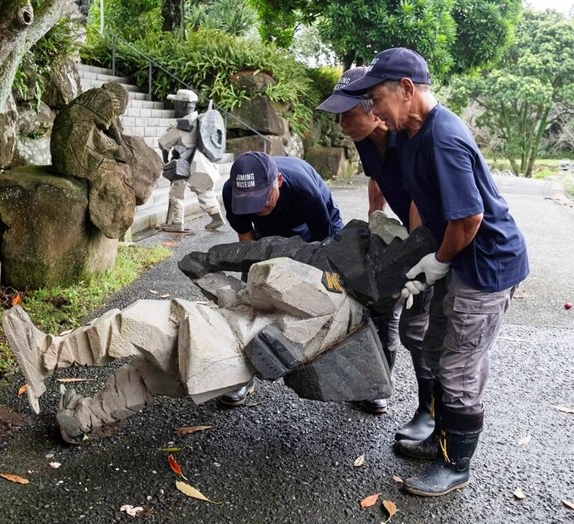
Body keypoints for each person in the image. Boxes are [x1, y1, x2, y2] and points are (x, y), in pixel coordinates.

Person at [343, 47, 529, 497]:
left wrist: (439, 261)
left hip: (484, 264)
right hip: (460, 257)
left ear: (406, 91)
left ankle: (456, 464)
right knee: (436, 344)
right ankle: (441, 439)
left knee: (459, 362)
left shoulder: (443, 137)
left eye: (377, 100)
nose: (374, 111)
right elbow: (413, 195)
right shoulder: (411, 130)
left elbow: (469, 219)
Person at [316, 67, 434, 440]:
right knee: (380, 305)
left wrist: (413, 254)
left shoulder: (408, 135)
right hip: (405, 231)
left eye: (347, 113)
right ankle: (377, 386)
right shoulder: (368, 139)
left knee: (418, 328)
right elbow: (376, 177)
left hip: (436, 238)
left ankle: (429, 412)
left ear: (373, 107)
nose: (340, 123)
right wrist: (375, 222)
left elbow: (420, 196)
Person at [217, 151, 348, 407]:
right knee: (251, 296)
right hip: (269, 235)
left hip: (316, 231)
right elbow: (248, 247)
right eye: (250, 203)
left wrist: (324, 282)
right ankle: (241, 374)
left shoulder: (304, 190)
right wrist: (254, 284)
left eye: (262, 200)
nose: (258, 208)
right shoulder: (231, 193)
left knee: (334, 289)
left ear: (277, 180)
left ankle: (353, 373)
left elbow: (323, 250)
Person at [158, 89, 225, 233]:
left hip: (182, 165)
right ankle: (217, 217)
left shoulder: (181, 127)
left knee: (176, 195)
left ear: (181, 106)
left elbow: (163, 143)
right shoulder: (200, 120)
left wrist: (165, 161)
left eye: (176, 103)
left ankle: (177, 224)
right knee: (205, 193)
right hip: (200, 163)